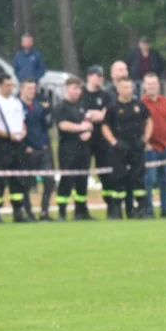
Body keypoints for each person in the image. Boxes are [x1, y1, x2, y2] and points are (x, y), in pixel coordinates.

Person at [102, 76, 152, 220]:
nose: (129, 90)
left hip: (136, 147)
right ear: (118, 89)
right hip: (119, 149)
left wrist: (145, 138)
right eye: (125, 87)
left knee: (138, 178)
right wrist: (114, 143)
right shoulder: (112, 108)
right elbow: (105, 127)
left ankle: (141, 209)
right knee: (118, 178)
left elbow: (149, 121)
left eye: (130, 87)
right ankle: (116, 209)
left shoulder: (139, 104)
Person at [0, 73, 27, 223]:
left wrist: (22, 132)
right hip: (2, 144)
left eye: (12, 85)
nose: (10, 88)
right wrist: (7, 134)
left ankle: (18, 211)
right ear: (0, 85)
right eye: (7, 85)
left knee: (17, 179)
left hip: (17, 144)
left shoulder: (16, 102)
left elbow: (22, 121)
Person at [53, 75, 94, 221]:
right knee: (67, 180)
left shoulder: (82, 105)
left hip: (83, 149)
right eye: (74, 88)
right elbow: (63, 125)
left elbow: (88, 122)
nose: (78, 92)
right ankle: (62, 212)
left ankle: (81, 210)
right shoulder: (61, 106)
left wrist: (88, 131)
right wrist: (81, 128)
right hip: (68, 150)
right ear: (67, 88)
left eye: (79, 89)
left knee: (82, 181)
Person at [141, 73, 166, 218]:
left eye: (154, 83)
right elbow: (139, 124)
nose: (151, 86)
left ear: (158, 85)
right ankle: (148, 209)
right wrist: (145, 143)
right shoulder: (141, 103)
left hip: (165, 146)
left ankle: (165, 208)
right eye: (149, 84)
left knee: (165, 179)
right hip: (150, 147)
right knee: (150, 179)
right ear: (144, 86)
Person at [19, 78, 53, 221]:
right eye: (29, 89)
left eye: (34, 89)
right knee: (26, 183)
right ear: (22, 89)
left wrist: (48, 112)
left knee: (49, 180)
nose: (33, 92)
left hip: (42, 148)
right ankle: (28, 212)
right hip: (27, 150)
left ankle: (44, 211)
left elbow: (45, 127)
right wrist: (24, 146)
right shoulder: (17, 106)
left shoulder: (38, 106)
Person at [82, 66, 112, 211]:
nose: (100, 78)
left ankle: (111, 206)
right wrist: (93, 115)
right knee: (82, 174)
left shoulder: (106, 95)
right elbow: (81, 114)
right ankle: (81, 208)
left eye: (102, 76)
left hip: (102, 140)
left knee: (105, 174)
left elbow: (105, 115)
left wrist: (93, 115)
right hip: (84, 140)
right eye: (97, 75)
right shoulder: (81, 94)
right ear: (89, 76)